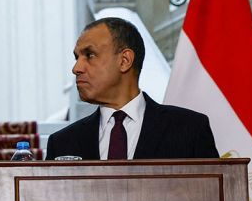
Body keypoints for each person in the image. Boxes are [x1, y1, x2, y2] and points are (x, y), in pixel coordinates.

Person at [45, 17, 218, 160]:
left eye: (90, 55)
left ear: (124, 60)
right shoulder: (62, 143)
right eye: (77, 57)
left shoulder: (189, 130)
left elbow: (214, 197)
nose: (76, 68)